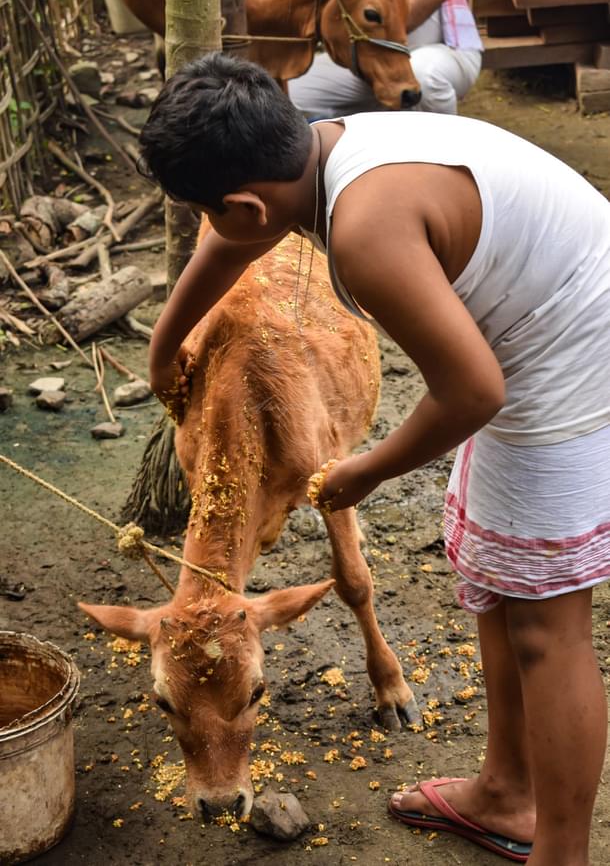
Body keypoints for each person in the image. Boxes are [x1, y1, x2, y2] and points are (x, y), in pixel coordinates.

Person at [139, 52, 610, 866]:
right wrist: (164, 343)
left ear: (245, 203)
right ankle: (504, 793)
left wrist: (368, 469)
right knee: (496, 585)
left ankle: (559, 851)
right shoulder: (322, 148)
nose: (213, 230)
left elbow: (471, 394)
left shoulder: (363, 232)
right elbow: (233, 247)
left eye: (206, 213)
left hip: (572, 352)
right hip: (533, 327)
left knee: (546, 625)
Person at [289, 0, 483, 118]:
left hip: (445, 51)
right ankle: (378, 135)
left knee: (424, 74)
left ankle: (444, 154)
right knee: (293, 93)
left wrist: (381, 31)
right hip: (374, 57)